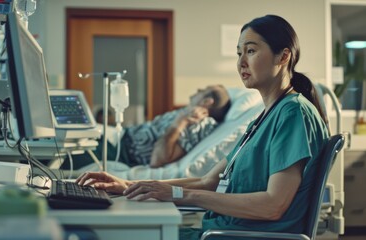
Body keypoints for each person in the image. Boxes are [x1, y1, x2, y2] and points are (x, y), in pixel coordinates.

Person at [76, 14, 330, 239]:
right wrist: (130, 186)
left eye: (251, 51)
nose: (241, 62)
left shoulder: (293, 114)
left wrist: (178, 195)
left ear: (283, 56)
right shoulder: (263, 119)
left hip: (241, 235)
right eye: (239, 52)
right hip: (220, 230)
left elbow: (272, 206)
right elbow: (209, 181)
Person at [70, 85, 231, 169]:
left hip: (120, 152)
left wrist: (179, 121)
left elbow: (157, 161)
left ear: (207, 102)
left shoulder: (199, 123)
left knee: (67, 149)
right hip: (118, 138)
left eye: (203, 91)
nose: (197, 91)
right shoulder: (188, 113)